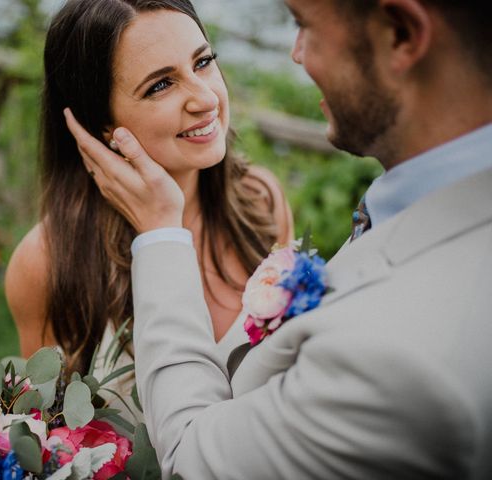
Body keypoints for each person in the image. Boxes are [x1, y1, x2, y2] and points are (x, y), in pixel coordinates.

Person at [65, 0, 492, 478]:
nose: (295, 54)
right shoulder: (52, 261)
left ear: (401, 33)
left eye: (304, 26)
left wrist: (162, 234)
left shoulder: (397, 365)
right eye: (161, 84)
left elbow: (189, 457)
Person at [5, 0, 293, 389]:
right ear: (101, 123)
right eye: (161, 84)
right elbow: (52, 437)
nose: (206, 99)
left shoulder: (261, 201)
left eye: (203, 62)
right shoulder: (49, 260)